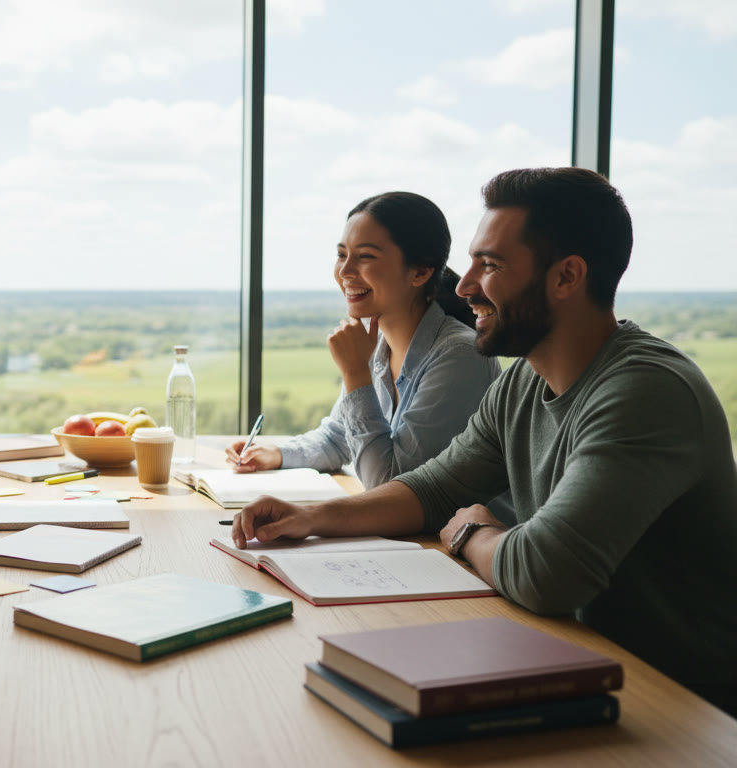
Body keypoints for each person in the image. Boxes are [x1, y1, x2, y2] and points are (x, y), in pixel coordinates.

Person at [231, 168, 737, 716]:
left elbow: (545, 573)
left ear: (566, 276)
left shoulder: (646, 391)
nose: (465, 285)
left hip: (677, 703)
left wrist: (472, 531)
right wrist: (312, 519)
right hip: (575, 661)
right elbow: (432, 487)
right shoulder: (524, 380)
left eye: (489, 265)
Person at [226, 192, 503, 495]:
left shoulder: (459, 356)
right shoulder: (377, 345)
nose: (345, 272)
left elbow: (390, 485)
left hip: (458, 540)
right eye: (342, 254)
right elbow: (338, 438)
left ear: (421, 272)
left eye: (366, 256)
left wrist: (356, 373)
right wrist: (277, 454)